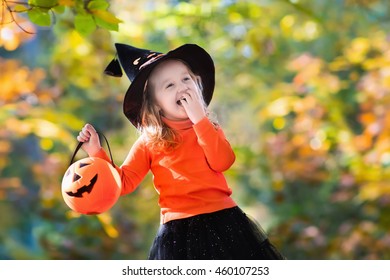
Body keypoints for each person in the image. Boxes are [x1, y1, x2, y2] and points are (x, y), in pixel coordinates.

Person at [76, 43, 285, 260]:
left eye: (186, 79)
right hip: (178, 233)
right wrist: (97, 153)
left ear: (197, 85)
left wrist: (200, 121)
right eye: (169, 85)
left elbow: (223, 162)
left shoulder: (208, 128)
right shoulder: (150, 141)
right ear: (155, 104)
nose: (182, 87)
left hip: (224, 221)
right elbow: (123, 182)